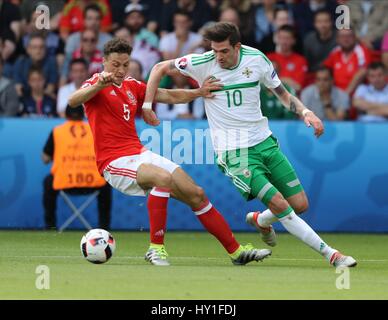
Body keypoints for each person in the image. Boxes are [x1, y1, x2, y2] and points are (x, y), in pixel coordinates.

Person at [143, 22, 357, 268]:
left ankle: (261, 221)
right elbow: (159, 67)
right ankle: (332, 255)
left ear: (237, 46)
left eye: (224, 51)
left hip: (264, 142)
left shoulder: (257, 59)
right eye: (215, 51)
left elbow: (282, 93)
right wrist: (148, 106)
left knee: (300, 205)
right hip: (233, 152)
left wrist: (305, 112)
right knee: (279, 203)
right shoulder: (202, 62)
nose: (218, 57)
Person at [68, 37, 271, 266]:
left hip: (139, 153)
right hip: (113, 162)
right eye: (115, 65)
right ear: (104, 62)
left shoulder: (131, 85)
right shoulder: (96, 82)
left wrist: (200, 92)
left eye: (125, 65)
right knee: (163, 179)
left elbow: (168, 95)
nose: (121, 70)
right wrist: (98, 85)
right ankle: (156, 249)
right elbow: (73, 101)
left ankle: (236, 252)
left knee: (196, 193)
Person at [42, 105, 112, 230]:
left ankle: (50, 226)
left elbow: (45, 159)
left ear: (66, 114)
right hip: (93, 184)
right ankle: (104, 227)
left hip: (65, 183)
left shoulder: (57, 131)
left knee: (48, 182)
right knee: (107, 184)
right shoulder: (95, 130)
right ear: (84, 114)